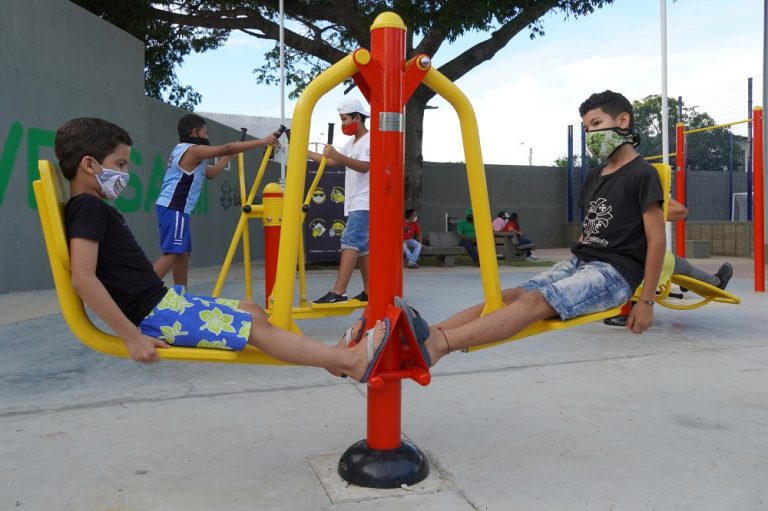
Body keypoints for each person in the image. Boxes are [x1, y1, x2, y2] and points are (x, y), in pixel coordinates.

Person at [55, 117, 390, 381]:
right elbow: (83, 279)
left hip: (163, 305)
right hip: (156, 316)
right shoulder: (87, 207)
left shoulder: (91, 207)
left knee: (250, 308)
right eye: (121, 164)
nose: (125, 173)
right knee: (253, 325)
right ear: (89, 165)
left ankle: (332, 359)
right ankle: (347, 361)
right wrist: (131, 337)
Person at [397, 90, 666, 363]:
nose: (590, 134)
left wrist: (645, 302)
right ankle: (428, 334)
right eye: (586, 129)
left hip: (615, 273)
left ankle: (438, 346)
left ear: (622, 121)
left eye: (596, 124)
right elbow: (592, 227)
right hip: (582, 262)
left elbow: (656, 240)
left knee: (531, 303)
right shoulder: (596, 175)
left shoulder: (642, 173)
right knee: (509, 296)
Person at [153, 113, 281, 288]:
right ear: (194, 132)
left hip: (176, 209)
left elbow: (211, 174)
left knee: (183, 253)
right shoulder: (193, 150)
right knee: (173, 253)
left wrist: (227, 158)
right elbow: (228, 147)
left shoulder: (183, 151)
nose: (207, 136)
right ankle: (140, 293)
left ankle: (179, 297)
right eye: (205, 132)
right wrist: (263, 141)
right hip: (174, 207)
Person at [603, 197, 733, 327]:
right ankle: (716, 282)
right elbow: (682, 211)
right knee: (674, 262)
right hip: (638, 259)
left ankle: (627, 308)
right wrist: (660, 197)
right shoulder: (643, 209)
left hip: (611, 257)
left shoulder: (609, 204)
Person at [308, 98, 371, 304]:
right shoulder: (351, 142)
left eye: (345, 120)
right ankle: (371, 291)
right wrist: (303, 151)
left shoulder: (371, 139)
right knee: (361, 248)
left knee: (350, 241)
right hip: (355, 201)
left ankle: (339, 291)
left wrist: (337, 155)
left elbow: (366, 166)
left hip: (365, 200)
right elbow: (333, 160)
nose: (343, 124)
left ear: (357, 117)